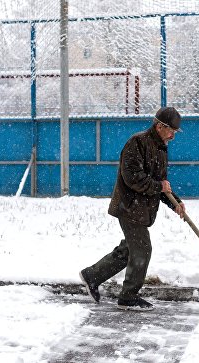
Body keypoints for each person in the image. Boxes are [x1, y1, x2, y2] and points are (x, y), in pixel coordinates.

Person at [79, 107, 186, 311]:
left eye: (175, 131)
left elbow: (160, 185)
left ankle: (91, 276)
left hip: (142, 209)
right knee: (142, 248)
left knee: (129, 250)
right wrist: (158, 186)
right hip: (129, 207)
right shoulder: (137, 143)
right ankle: (128, 296)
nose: (173, 135)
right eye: (171, 130)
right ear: (159, 126)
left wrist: (175, 203)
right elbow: (132, 178)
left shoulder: (161, 148)